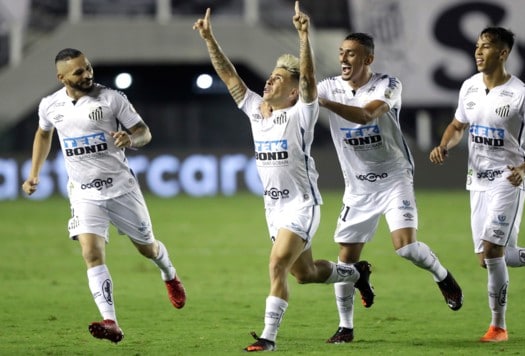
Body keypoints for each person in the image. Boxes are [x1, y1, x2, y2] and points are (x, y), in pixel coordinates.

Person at [193, 2, 374, 352]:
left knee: (277, 264)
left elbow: (308, 81)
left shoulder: (301, 113)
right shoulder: (256, 112)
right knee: (303, 274)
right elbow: (230, 76)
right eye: (270, 76)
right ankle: (354, 274)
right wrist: (209, 39)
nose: (269, 80)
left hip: (301, 205)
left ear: (292, 91)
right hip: (274, 210)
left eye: (277, 78)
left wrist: (303, 35)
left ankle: (268, 338)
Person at [21, 48, 187, 343]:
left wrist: (131, 138)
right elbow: (43, 133)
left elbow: (144, 132)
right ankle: (111, 321)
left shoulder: (112, 99)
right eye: (78, 72)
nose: (87, 75)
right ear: (61, 77)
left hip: (121, 189)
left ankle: (169, 274)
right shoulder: (50, 105)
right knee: (91, 253)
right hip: (84, 193)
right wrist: (34, 173)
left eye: (88, 68)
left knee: (147, 249)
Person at [429, 26, 525, 343]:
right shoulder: (469, 87)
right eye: (477, 46)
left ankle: (498, 327)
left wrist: (524, 168)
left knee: (494, 251)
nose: (478, 52)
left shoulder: (522, 94)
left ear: (503, 53)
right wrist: (445, 144)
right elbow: (458, 125)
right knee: (489, 258)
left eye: (486, 46)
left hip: (508, 179)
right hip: (477, 181)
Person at [317, 32, 464, 344]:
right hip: (357, 186)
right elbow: (302, 97)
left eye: (352, 54)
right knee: (345, 261)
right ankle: (346, 327)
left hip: (395, 177)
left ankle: (443, 277)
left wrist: (325, 103)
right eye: (342, 52)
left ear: (368, 59)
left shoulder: (388, 85)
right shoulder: (328, 86)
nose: (344, 58)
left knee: (407, 248)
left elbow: (366, 115)